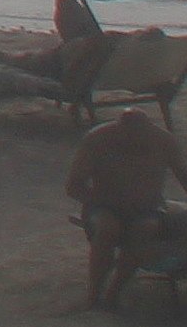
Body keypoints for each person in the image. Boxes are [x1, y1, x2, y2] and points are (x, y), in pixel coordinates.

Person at [66, 98, 180, 307]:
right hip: (103, 206)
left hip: (148, 207)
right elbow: (74, 186)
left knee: (145, 229)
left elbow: (184, 176)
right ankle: (94, 294)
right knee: (107, 229)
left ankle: (114, 292)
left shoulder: (164, 142)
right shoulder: (97, 140)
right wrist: (109, 200)